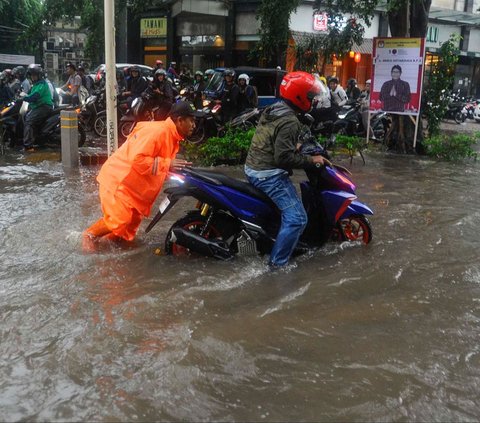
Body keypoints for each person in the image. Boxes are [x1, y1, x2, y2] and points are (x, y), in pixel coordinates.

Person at [82, 102, 196, 252]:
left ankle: (104, 247)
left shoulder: (172, 137)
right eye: (192, 120)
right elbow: (138, 160)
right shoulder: (159, 132)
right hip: (119, 181)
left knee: (125, 234)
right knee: (118, 220)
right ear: (180, 120)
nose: (194, 125)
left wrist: (175, 170)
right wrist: (167, 164)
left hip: (133, 191)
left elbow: (157, 165)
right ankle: (89, 235)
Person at [244, 71, 330, 268]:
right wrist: (312, 160)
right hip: (268, 175)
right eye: (310, 97)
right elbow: (283, 158)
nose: (313, 100)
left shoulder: (274, 108)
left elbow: (274, 141)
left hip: (254, 167)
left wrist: (296, 146)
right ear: (299, 97)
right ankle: (277, 265)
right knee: (298, 219)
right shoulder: (290, 121)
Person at [22, 64, 54, 152]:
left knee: (29, 120)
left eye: (35, 75)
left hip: (44, 106)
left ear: (39, 75)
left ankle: (28, 146)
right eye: (32, 75)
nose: (33, 77)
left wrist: (24, 98)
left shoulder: (42, 84)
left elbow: (34, 97)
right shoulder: (35, 85)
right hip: (38, 107)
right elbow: (28, 94)